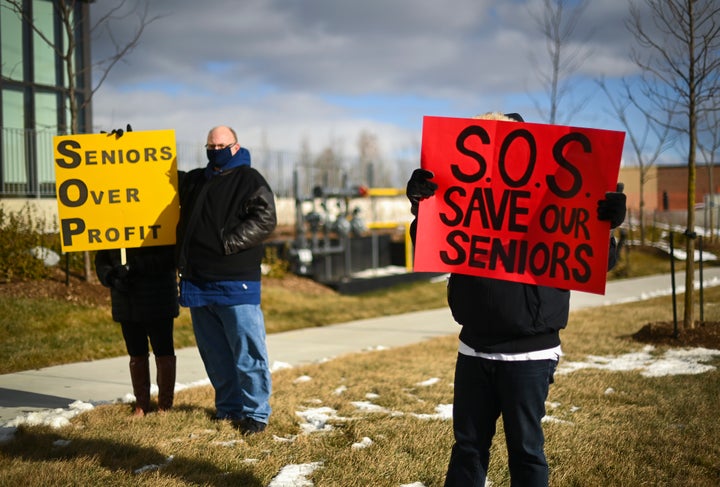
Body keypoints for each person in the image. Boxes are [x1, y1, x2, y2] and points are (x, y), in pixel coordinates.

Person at [406, 112, 627, 486]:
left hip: (530, 354)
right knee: (468, 449)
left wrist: (604, 227)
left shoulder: (552, 196)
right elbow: (433, 247)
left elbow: (597, 262)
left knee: (525, 451)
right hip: (474, 349)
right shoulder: (471, 195)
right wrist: (422, 206)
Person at [176, 125, 277, 435]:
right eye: (210, 144)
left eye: (221, 144)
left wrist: (227, 244)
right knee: (216, 354)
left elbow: (266, 218)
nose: (215, 149)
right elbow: (158, 180)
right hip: (198, 283)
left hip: (236, 282)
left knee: (247, 352)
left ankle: (256, 414)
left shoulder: (249, 179)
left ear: (235, 146)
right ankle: (229, 408)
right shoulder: (197, 179)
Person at [95, 245, 179, 417]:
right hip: (126, 301)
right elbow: (102, 260)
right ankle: (141, 404)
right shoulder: (111, 224)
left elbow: (170, 257)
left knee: (163, 351)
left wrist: (135, 266)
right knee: (136, 352)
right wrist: (111, 276)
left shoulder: (157, 224)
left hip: (158, 298)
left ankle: (165, 405)